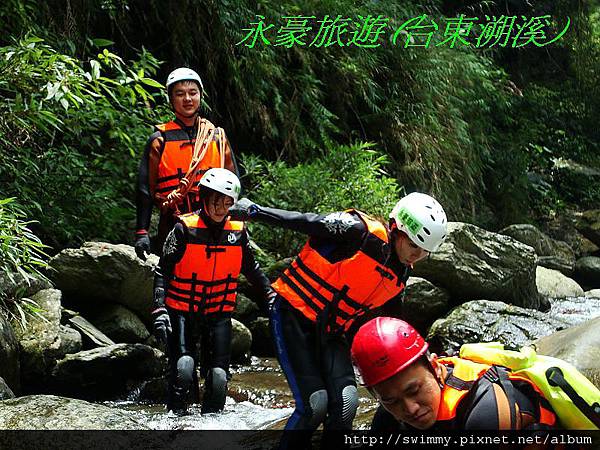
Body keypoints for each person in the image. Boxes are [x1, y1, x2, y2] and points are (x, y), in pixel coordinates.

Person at [229, 192, 447, 446]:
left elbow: (392, 323)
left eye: (423, 252)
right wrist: (256, 211)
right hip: (293, 315)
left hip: (332, 332)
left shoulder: (399, 275)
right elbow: (307, 221)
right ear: (397, 229)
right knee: (315, 405)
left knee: (347, 403)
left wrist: (416, 359)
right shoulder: (358, 231)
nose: (416, 255)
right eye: (413, 246)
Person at [151, 168, 274, 415]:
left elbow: (251, 269)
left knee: (218, 376)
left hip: (219, 312)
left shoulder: (238, 232)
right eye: (215, 200)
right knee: (184, 367)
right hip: (182, 310)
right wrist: (160, 309)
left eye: (227, 202)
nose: (220, 208)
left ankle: (212, 426)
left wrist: (271, 294)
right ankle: (175, 421)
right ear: (204, 198)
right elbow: (163, 271)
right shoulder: (184, 228)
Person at [351, 317, 557, 431]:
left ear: (435, 367)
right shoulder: (387, 417)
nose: (410, 408)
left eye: (414, 390)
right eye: (391, 400)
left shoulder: (486, 413)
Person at [135, 67, 239, 260]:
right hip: (173, 224)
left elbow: (234, 184)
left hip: (214, 223)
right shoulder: (160, 140)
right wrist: (142, 232)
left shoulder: (217, 137)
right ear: (171, 99)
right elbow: (145, 190)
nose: (188, 99)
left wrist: (237, 225)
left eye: (193, 93)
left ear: (200, 96)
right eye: (180, 94)